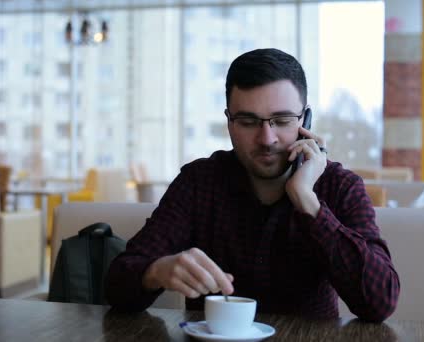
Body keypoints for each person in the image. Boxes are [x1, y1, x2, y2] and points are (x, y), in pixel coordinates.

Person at [106, 48, 400, 322]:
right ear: (229, 122)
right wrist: (156, 271)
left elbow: (379, 302)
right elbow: (116, 285)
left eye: (282, 120)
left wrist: (306, 200)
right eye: (248, 121)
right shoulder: (198, 182)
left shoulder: (340, 186)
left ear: (305, 119)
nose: (267, 139)